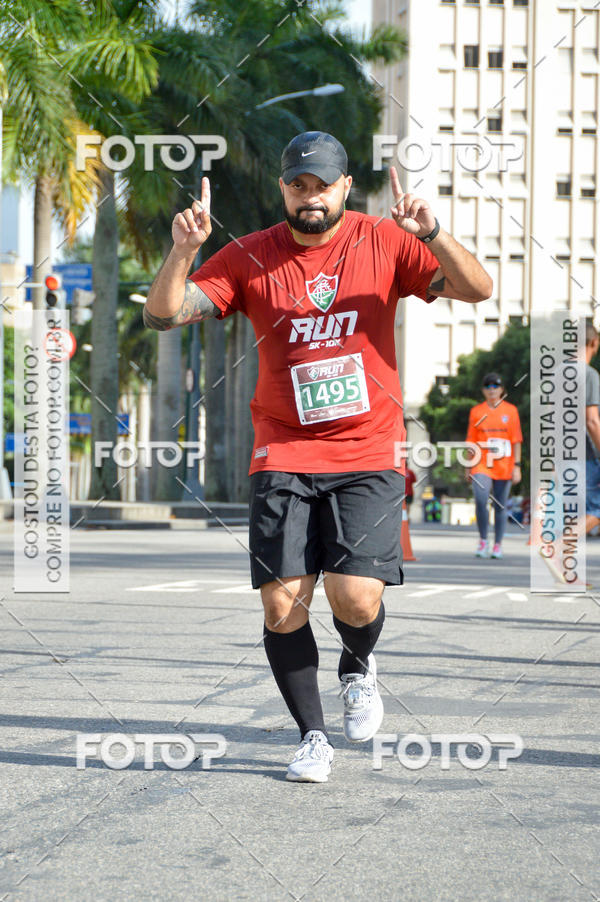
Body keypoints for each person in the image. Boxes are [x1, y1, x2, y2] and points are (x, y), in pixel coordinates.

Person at [144, 131, 492, 782]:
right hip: (282, 448)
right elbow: (164, 316)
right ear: (284, 188)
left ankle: (358, 665)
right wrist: (183, 251)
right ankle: (313, 738)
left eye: (322, 185)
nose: (311, 197)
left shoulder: (384, 241)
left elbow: (478, 289)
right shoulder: (250, 256)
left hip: (367, 448)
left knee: (356, 599)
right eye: (299, 185)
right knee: (282, 606)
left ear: (344, 187)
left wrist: (434, 231)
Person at [465, 373, 522, 559]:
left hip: (504, 465)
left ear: (501, 389)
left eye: (495, 386)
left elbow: (516, 440)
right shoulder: (476, 411)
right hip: (481, 464)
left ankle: (498, 544)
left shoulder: (511, 411)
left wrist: (517, 466)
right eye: (487, 386)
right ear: (483, 390)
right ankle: (483, 540)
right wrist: (468, 466)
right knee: (481, 500)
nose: (491, 389)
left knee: (500, 506)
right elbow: (471, 441)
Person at [585, 323, 600, 535]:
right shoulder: (589, 374)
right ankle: (557, 547)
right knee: (596, 509)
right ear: (593, 342)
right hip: (585, 454)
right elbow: (592, 421)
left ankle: (562, 566)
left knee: (576, 512)